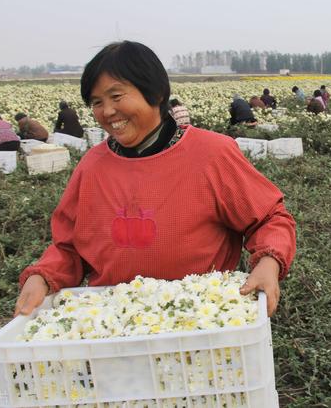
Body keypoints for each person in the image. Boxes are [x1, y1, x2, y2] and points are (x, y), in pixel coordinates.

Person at [15, 41, 296, 319]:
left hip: (200, 317)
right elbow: (69, 247)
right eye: (97, 102)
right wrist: (43, 276)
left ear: (157, 93)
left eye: (116, 96)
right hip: (113, 322)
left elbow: (270, 217)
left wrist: (268, 262)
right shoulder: (92, 166)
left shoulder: (211, 154)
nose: (107, 111)